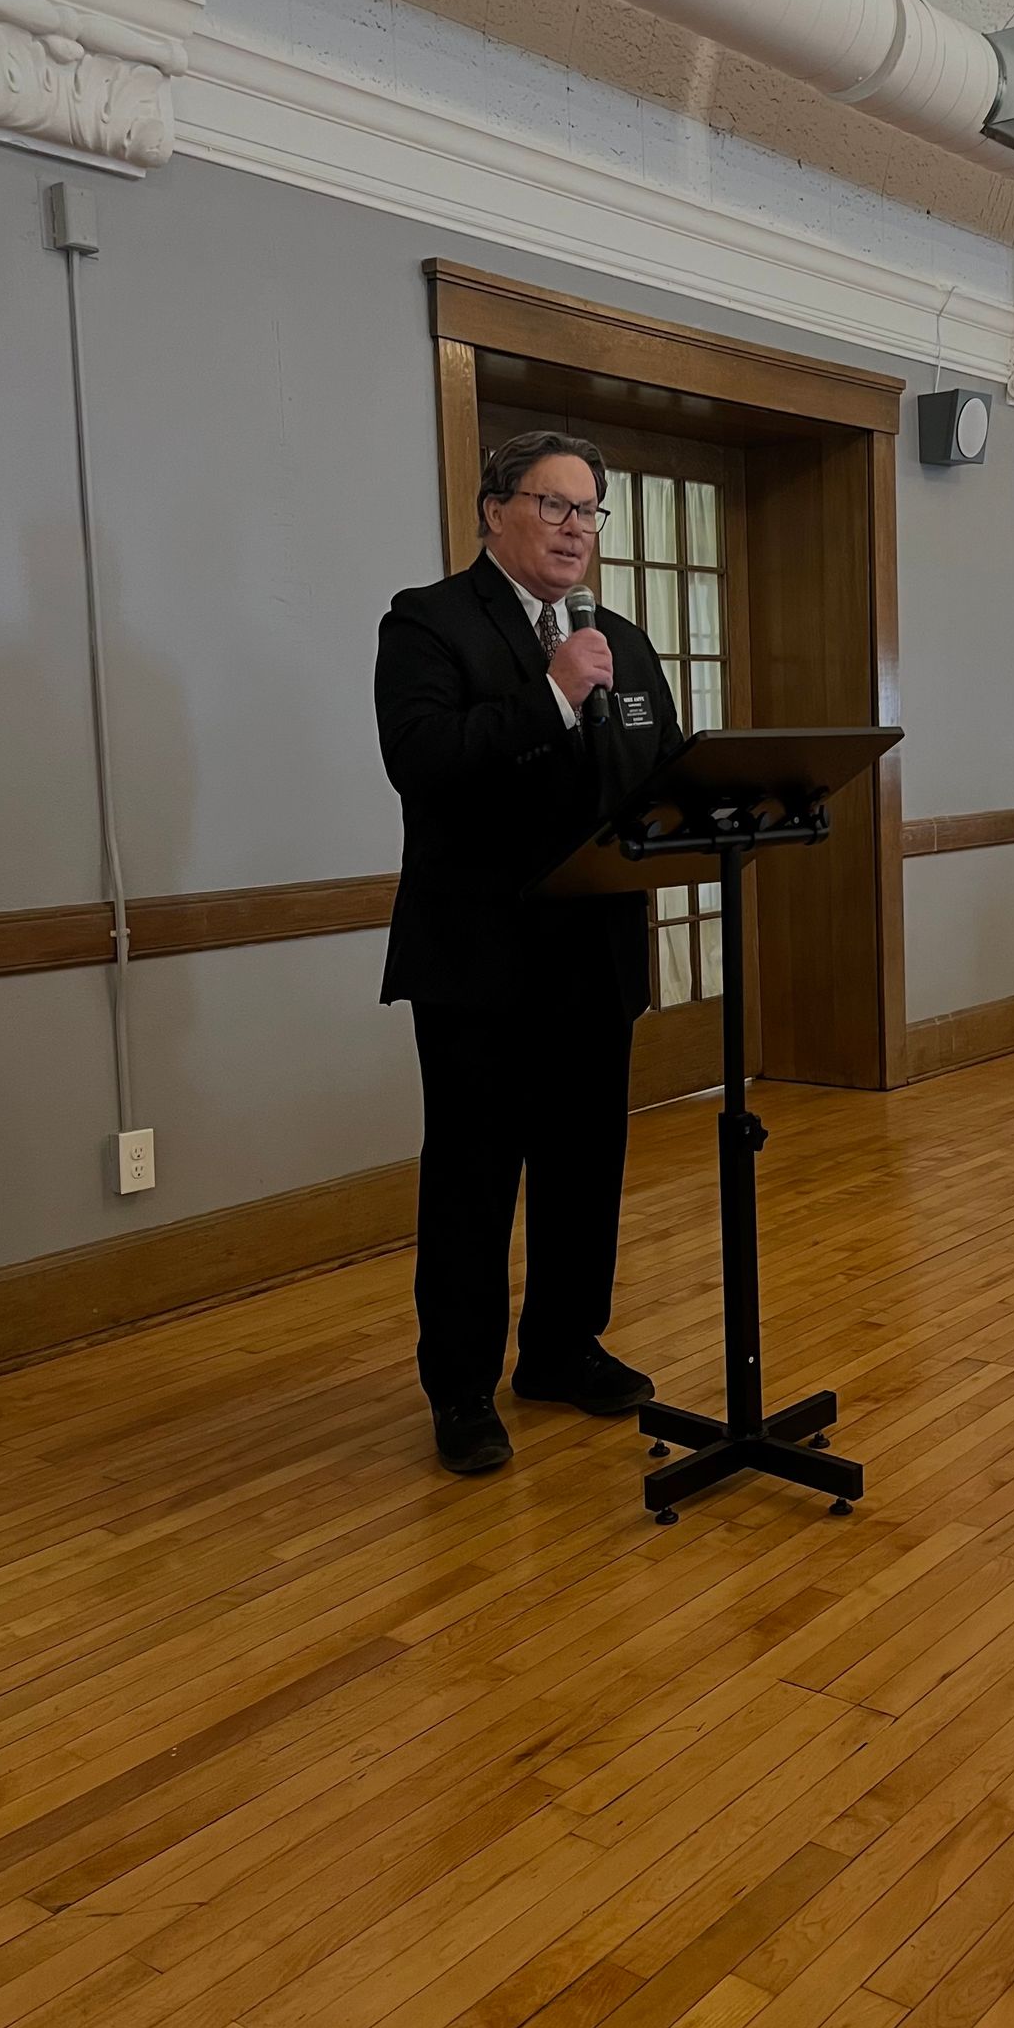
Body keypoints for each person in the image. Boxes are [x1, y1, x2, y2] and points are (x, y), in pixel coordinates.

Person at [375, 430, 686, 1474]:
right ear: (493, 510)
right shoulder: (428, 623)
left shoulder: (625, 641)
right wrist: (550, 693)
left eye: (589, 510)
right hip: (479, 960)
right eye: (552, 505)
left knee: (585, 1166)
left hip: (596, 952)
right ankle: (459, 1389)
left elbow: (659, 769)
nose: (574, 528)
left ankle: (561, 1347)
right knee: (472, 1179)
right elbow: (422, 761)